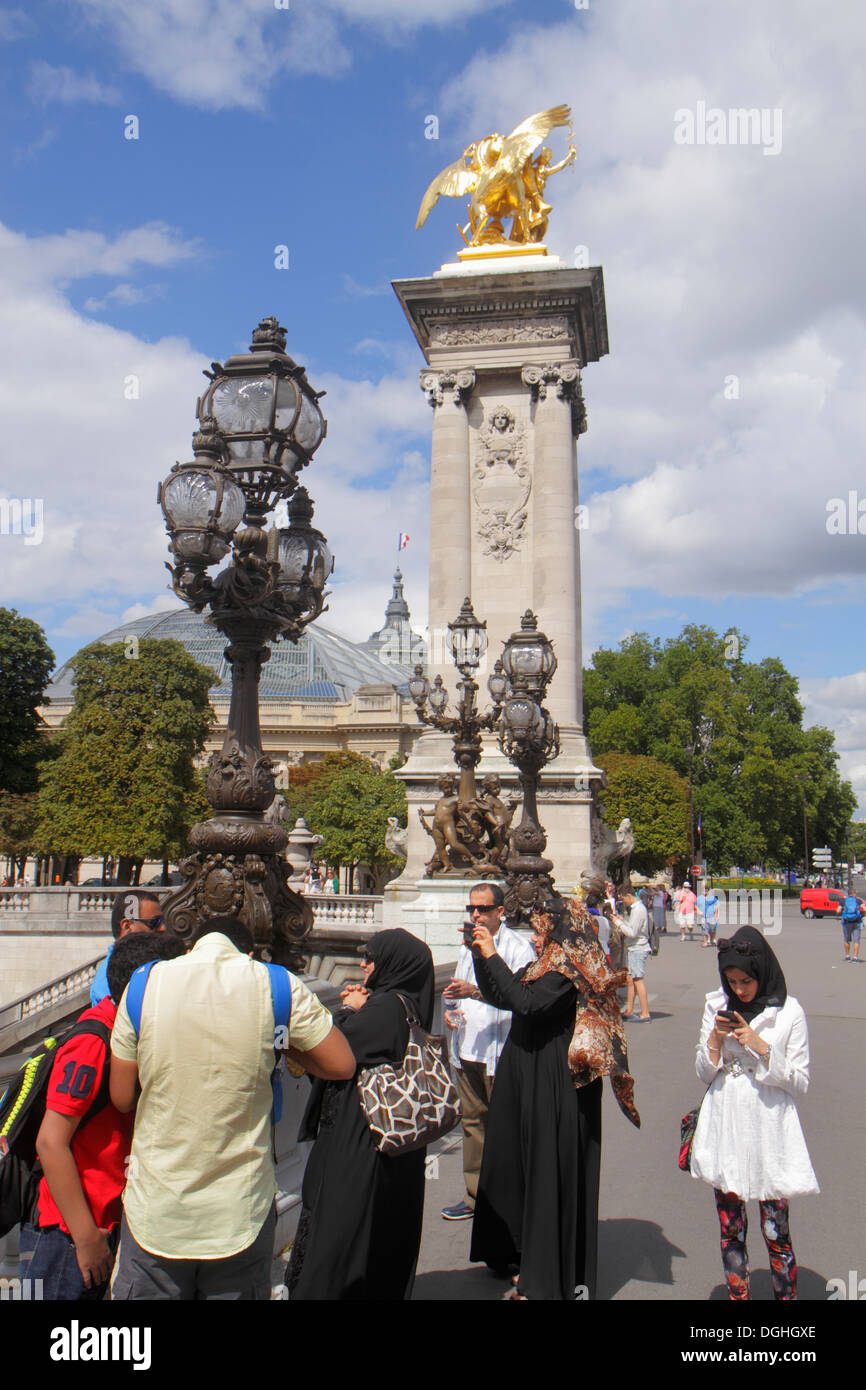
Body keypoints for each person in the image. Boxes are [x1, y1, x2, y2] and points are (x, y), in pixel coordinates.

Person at [109, 916, 355, 1300]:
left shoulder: (143, 984)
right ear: (250, 954)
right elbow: (342, 1064)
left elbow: (122, 1097)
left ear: (190, 947)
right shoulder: (275, 984)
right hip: (240, 1211)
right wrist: (279, 1044)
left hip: (157, 1209)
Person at [469, 896, 640, 1300]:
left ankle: (544, 1279)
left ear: (561, 928)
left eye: (542, 928)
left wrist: (493, 954)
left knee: (547, 1169)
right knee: (516, 1161)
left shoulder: (571, 967)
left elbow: (529, 1004)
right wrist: (480, 956)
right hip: (526, 1071)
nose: (535, 935)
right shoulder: (544, 962)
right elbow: (505, 995)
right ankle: (515, 1252)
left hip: (555, 1081)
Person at [18, 933, 183, 1301]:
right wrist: (86, 1237)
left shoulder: (121, 1034)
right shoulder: (93, 1041)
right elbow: (50, 1141)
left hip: (93, 1224)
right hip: (65, 1234)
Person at [285, 928, 435, 1300]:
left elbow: (332, 1049)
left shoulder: (385, 1008)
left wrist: (347, 1010)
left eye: (372, 959)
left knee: (340, 1222)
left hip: (360, 1134)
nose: (365, 966)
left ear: (393, 964)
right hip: (390, 1136)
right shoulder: (408, 1004)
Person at [691, 927, 818, 1300]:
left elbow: (800, 1082)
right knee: (731, 1228)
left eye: (746, 981)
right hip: (725, 1122)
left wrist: (762, 1048)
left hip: (769, 1126)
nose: (739, 990)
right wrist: (714, 1040)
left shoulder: (789, 1011)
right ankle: (738, 1297)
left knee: (776, 1230)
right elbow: (702, 1072)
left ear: (762, 973)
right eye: (731, 981)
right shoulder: (716, 1004)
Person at [440, 882, 535, 1223]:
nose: (475, 915)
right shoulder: (468, 947)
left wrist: (474, 991)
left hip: (501, 1050)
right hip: (468, 1047)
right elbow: (453, 992)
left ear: (500, 911)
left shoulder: (518, 948)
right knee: (472, 1123)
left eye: (482, 909)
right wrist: (450, 1009)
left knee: (505, 1128)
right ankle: (474, 1195)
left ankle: (508, 1201)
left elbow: (522, 1000)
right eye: (471, 909)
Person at [90, 890, 164, 1006]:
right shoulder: (108, 979)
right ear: (127, 926)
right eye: (155, 922)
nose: (162, 928)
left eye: (163, 921)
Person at [618, 888, 652, 1021]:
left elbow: (632, 933)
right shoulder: (637, 909)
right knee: (631, 979)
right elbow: (633, 927)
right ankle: (629, 1010)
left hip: (638, 947)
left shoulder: (638, 910)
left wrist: (619, 923)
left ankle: (645, 1013)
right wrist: (623, 921)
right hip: (634, 947)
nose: (623, 901)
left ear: (628, 895)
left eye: (623, 899)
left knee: (638, 979)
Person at [839, 892, 862, 962]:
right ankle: (855, 957)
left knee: (846, 939)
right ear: (854, 894)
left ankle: (847, 956)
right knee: (856, 940)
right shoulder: (858, 900)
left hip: (846, 922)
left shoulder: (843, 901)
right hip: (856, 922)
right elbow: (864, 908)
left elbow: (838, 910)